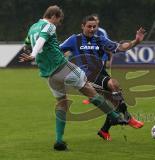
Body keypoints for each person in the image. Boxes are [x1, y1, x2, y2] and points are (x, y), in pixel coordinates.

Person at [19, 5, 127, 151]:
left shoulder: (33, 27)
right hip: (62, 67)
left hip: (48, 74)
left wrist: (31, 53)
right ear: (54, 16)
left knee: (62, 103)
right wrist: (33, 54)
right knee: (89, 89)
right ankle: (113, 115)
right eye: (59, 20)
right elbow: (41, 40)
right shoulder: (49, 26)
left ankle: (59, 141)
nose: (59, 23)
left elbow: (27, 44)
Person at [60, 15, 145, 141]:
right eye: (89, 26)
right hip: (86, 76)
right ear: (83, 26)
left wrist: (136, 41)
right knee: (114, 85)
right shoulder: (74, 40)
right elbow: (57, 50)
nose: (92, 29)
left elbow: (121, 47)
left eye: (94, 26)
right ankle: (128, 118)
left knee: (115, 101)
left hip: (101, 73)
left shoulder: (100, 39)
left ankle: (104, 130)